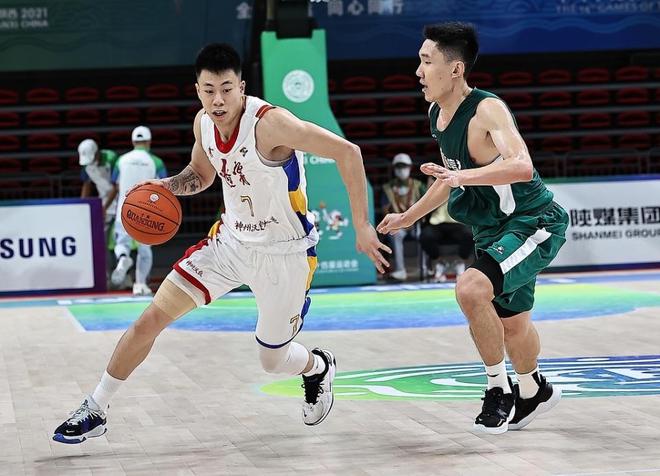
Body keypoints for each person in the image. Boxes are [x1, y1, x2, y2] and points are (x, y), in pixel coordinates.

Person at [53, 43, 389, 444]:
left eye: (227, 89)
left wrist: (362, 225)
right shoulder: (203, 123)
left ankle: (317, 366)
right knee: (150, 319)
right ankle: (96, 407)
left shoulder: (271, 124)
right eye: (209, 90)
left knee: (273, 360)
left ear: (241, 88)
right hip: (230, 244)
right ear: (197, 90)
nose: (218, 100)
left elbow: (348, 152)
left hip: (284, 254)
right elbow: (201, 173)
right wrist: (166, 186)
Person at [377, 22, 568, 434]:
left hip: (533, 222)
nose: (418, 71)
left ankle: (498, 388)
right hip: (494, 231)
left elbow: (522, 165)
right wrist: (408, 217)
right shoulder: (437, 113)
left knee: (470, 289)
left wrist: (462, 177)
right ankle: (533, 390)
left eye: (426, 61)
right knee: (513, 326)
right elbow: (449, 177)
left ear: (455, 69)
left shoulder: (487, 109)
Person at [109, 126, 168, 296]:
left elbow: (115, 185)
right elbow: (164, 186)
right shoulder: (156, 162)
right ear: (149, 141)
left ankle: (123, 258)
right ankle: (140, 284)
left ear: (133, 141)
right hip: (147, 212)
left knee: (122, 244)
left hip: (124, 210)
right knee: (145, 249)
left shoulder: (121, 160)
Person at [381, 152, 426, 281]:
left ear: (410, 167)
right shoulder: (388, 188)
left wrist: (417, 220)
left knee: (423, 235)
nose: (401, 170)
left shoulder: (418, 185)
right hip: (397, 224)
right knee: (395, 236)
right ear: (394, 169)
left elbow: (427, 204)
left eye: (404, 166)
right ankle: (400, 270)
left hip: (416, 223)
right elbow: (385, 209)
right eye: (398, 167)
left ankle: (423, 267)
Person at [420, 202, 473, 282]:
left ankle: (460, 262)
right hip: (436, 223)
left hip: (458, 222)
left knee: (470, 235)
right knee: (426, 236)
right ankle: (439, 262)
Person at [78, 139, 119, 237]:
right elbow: (86, 184)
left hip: (120, 197)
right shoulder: (86, 164)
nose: (90, 162)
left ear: (97, 153)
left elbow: (117, 186)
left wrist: (104, 208)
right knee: (102, 233)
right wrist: (82, 205)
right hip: (104, 200)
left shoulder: (111, 158)